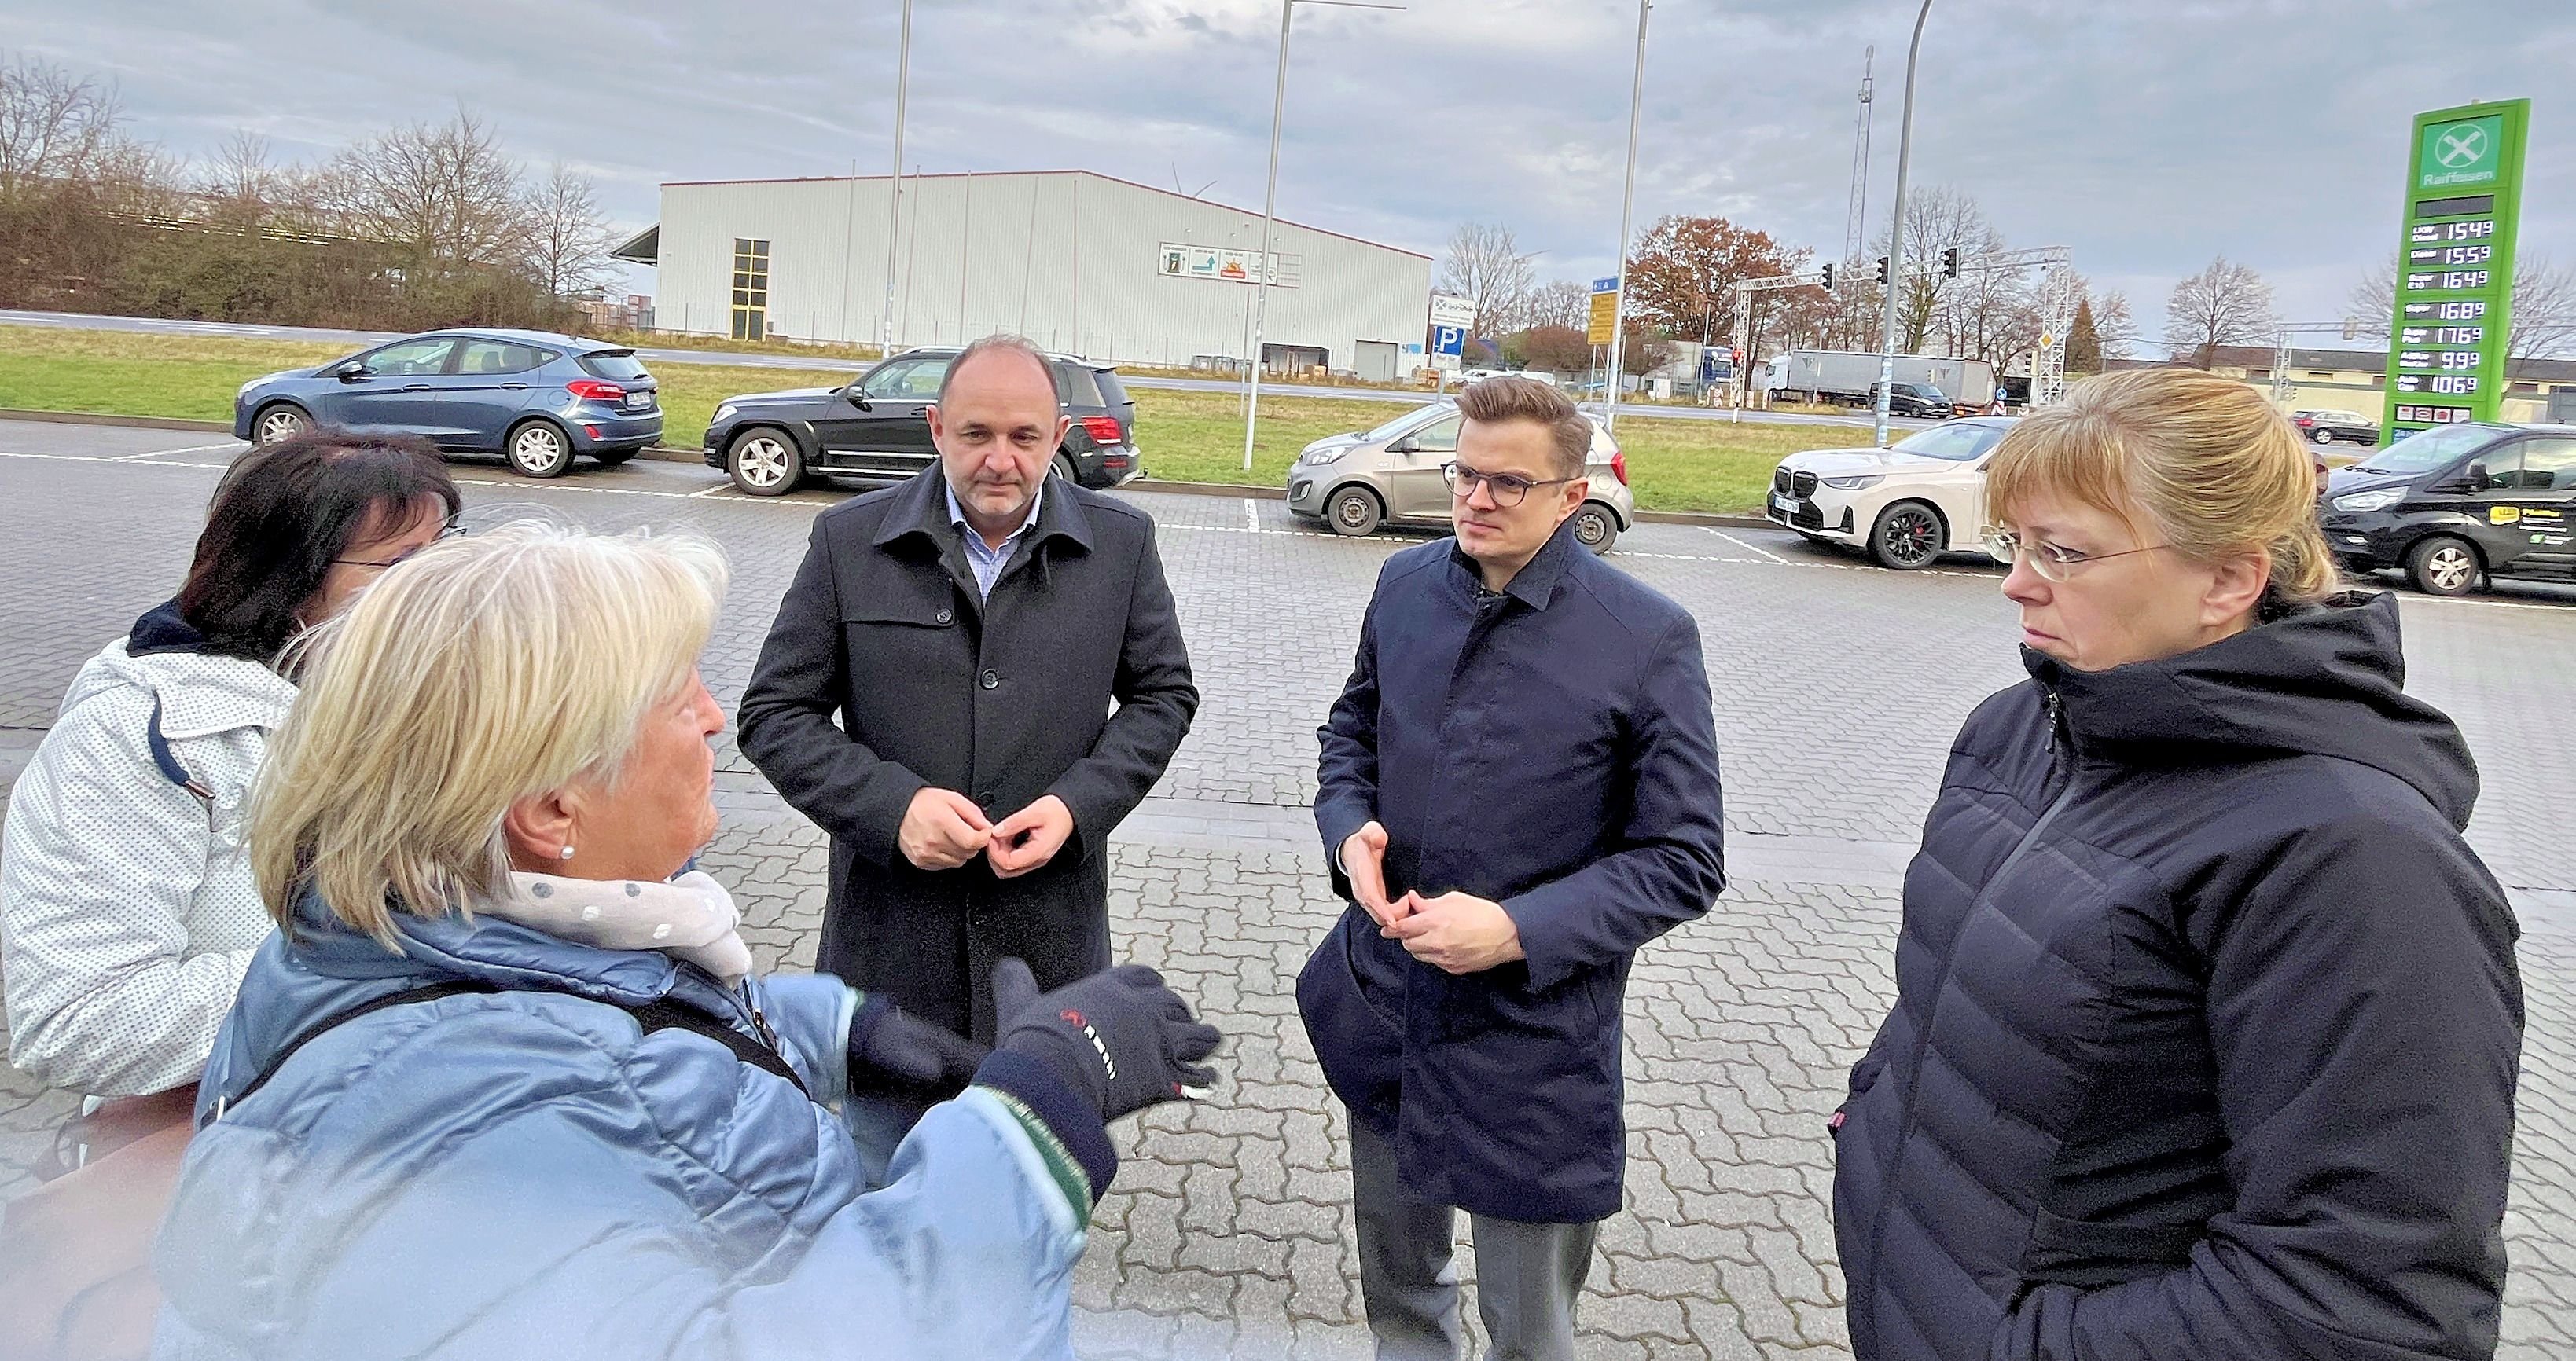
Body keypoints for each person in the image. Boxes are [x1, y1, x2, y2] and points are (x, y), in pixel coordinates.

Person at [149, 523, 1222, 1359]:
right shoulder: (456, 1120)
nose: (710, 719)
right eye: (675, 698)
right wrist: (1032, 1124)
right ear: (552, 811)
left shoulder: (449, 947)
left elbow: (617, 1048)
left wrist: (845, 1031)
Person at [1830, 368, 2522, 1360]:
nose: (2018, 581)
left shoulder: (2351, 858)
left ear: (2229, 580)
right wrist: (1874, 1115)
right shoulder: (2026, 727)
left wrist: (2009, 1343)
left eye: (2063, 552)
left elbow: (2369, 1302)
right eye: (2016, 542)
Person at [1297, 376, 1728, 1361]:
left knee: (1531, 1331)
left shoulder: (1646, 637)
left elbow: (1685, 858)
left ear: (1572, 497)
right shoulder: (1404, 586)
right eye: (1464, 472)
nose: (1475, 499)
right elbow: (1351, 727)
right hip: (1386, 1006)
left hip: (1532, 1045)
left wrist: (1516, 930)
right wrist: (1347, 825)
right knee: (1400, 1298)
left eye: (1508, 483)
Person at [738, 332, 1197, 1177]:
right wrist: (891, 808)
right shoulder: (849, 541)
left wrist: (1076, 806)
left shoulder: (1120, 544)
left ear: (1057, 436)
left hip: (1047, 962)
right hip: (891, 967)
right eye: (975, 434)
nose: (1000, 460)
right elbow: (774, 713)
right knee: (880, 1201)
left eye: (1024, 437)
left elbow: (1164, 697)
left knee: (1026, 1207)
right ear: (934, 428)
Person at [2, 429, 459, 1110]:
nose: (443, 589)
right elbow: (80, 1019)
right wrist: (388, 967)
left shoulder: (426, 697)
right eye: (399, 565)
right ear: (288, 576)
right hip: (228, 1141)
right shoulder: (143, 735)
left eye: (443, 554)